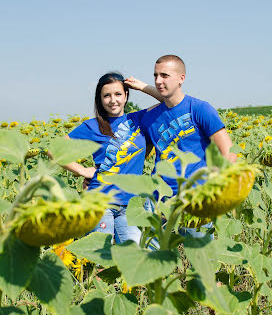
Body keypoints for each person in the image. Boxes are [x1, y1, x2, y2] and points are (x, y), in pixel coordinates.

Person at [128, 54, 236, 239]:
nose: (158, 81)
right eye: (155, 76)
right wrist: (97, 175)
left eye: (164, 75)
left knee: (202, 263)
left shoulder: (199, 109)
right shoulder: (149, 118)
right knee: (151, 263)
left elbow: (229, 152)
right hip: (158, 202)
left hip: (195, 201)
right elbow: (137, 157)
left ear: (181, 78)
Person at [61, 72, 162, 244]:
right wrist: (82, 170)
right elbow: (55, 150)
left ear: (126, 95)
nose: (112, 100)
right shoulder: (92, 126)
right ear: (99, 99)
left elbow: (170, 100)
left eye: (118, 94)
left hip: (132, 205)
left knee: (133, 258)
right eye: (106, 95)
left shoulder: (138, 119)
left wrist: (142, 87)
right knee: (100, 260)